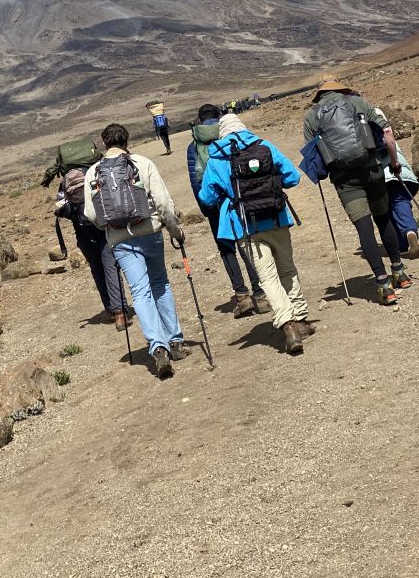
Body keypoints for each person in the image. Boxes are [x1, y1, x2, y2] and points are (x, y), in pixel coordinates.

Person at [200, 114, 312, 354]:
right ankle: (301, 318)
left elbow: (206, 198)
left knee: (267, 277)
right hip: (276, 217)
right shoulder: (264, 146)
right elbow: (292, 177)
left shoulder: (217, 158)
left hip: (244, 227)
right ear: (243, 128)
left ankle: (288, 325)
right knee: (287, 269)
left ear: (222, 133)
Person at [83, 123, 187, 379]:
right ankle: (175, 341)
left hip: (120, 240)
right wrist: (174, 230)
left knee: (140, 292)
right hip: (150, 232)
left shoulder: (93, 172)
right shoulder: (142, 163)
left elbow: (91, 214)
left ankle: (158, 347)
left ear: (104, 143)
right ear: (126, 141)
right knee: (160, 284)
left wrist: (110, 227)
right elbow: (163, 203)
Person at [303, 77, 411, 305]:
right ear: (340, 88)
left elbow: (313, 154)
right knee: (383, 218)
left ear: (320, 93)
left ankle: (383, 285)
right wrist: (394, 163)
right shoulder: (357, 102)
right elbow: (387, 133)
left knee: (364, 228)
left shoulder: (311, 116)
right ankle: (399, 273)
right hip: (372, 171)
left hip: (344, 181)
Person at [187, 103, 269, 317]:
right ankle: (260, 295)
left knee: (226, 249)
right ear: (219, 116)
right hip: (237, 198)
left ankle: (242, 297)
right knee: (247, 244)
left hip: (212, 201)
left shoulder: (193, 146)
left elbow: (195, 182)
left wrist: (205, 207)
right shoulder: (229, 135)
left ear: (200, 120)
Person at [54, 175, 131, 330]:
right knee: (110, 266)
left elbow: (61, 209)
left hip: (82, 231)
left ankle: (110, 309)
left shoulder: (65, 183)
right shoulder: (95, 172)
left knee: (96, 268)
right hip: (103, 227)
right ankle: (120, 313)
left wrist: (76, 213)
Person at [375, 108, 419, 258]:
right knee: (400, 201)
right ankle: (409, 232)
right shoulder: (374, 112)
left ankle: (401, 245)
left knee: (387, 210)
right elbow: (388, 133)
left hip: (375, 174)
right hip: (397, 169)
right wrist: (395, 163)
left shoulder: (348, 121)